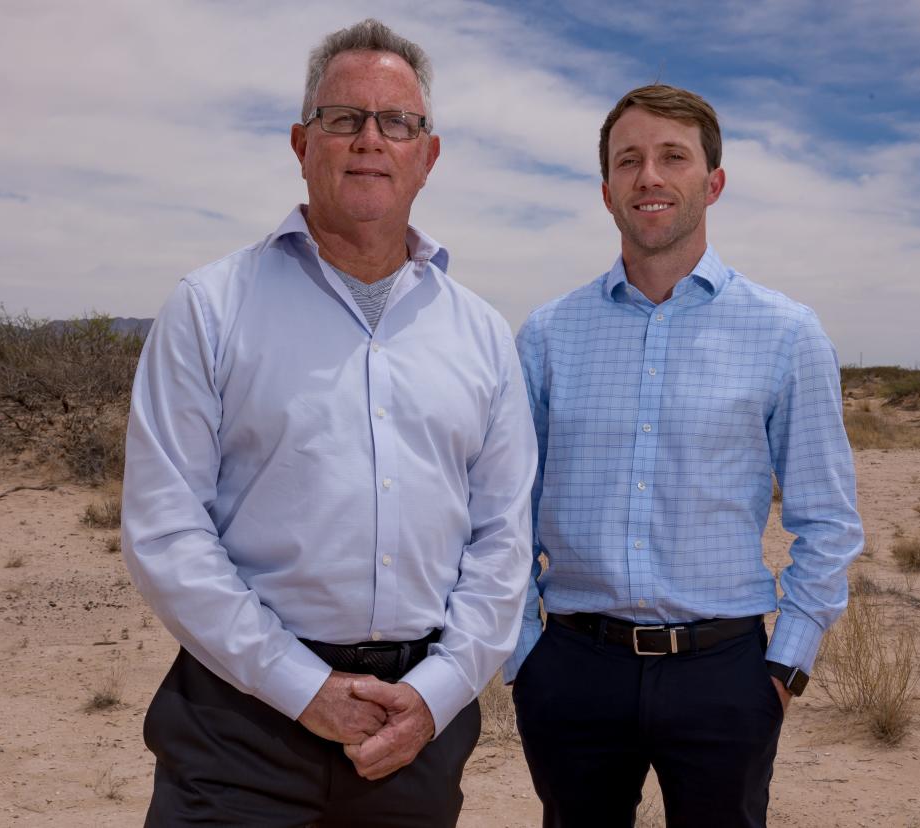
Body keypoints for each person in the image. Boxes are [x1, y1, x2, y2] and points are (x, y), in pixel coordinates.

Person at [121, 19, 536, 827]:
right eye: (343, 118)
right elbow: (166, 532)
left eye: (396, 122)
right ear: (301, 142)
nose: (369, 140)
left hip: (412, 731)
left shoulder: (482, 334)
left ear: (429, 153)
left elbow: (503, 542)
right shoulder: (209, 309)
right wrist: (299, 686)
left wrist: (439, 692)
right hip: (239, 725)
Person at [504, 84, 864, 828]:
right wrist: (524, 658)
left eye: (674, 157)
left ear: (714, 182)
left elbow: (827, 520)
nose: (650, 177)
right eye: (629, 160)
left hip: (725, 674)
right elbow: (505, 514)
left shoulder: (786, 335)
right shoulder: (546, 337)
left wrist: (785, 665)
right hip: (573, 670)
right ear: (606, 191)